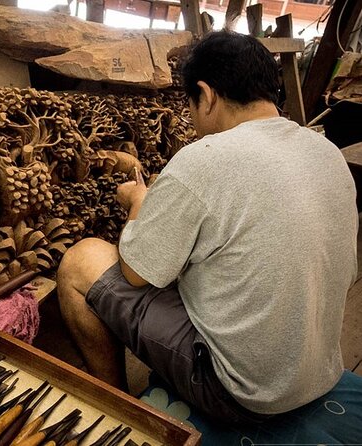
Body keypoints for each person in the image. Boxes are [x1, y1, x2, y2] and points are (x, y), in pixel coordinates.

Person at [57, 31, 358, 424]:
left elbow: (134, 274)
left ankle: (116, 405)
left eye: (192, 106)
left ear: (207, 93)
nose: (194, 121)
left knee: (81, 261)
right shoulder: (328, 153)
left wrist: (138, 204)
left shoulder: (203, 159)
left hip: (243, 395)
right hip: (318, 373)